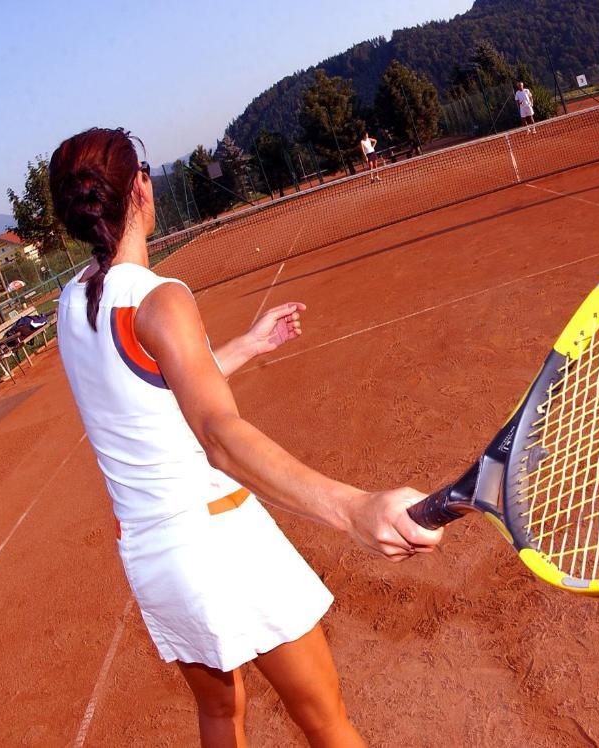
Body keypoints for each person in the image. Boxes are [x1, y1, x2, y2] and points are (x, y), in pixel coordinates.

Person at [49, 128, 442, 747]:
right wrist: (353, 507)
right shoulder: (159, 299)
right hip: (217, 536)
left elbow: (151, 393)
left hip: (154, 557)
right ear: (140, 190)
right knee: (324, 717)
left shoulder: (73, 306)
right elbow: (218, 434)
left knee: (219, 714)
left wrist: (245, 346)